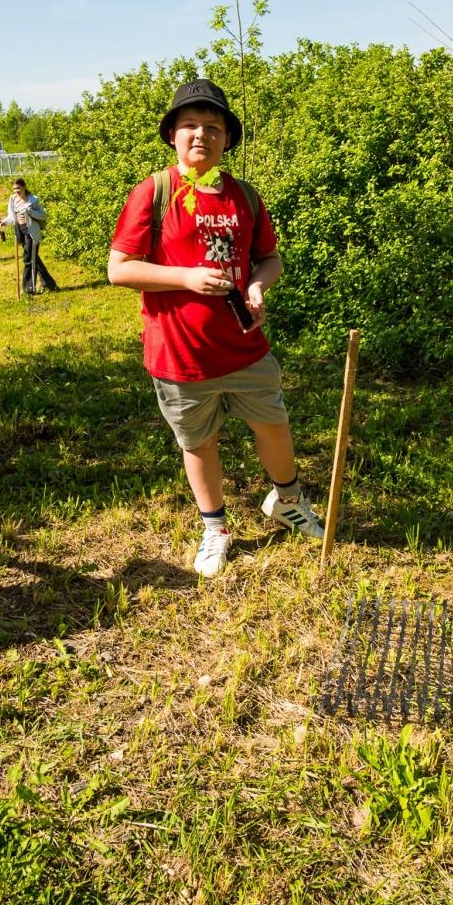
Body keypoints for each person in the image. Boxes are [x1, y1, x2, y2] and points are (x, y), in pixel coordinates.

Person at [108, 78, 323, 579]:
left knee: (273, 423)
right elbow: (119, 268)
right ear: (172, 136)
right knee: (198, 443)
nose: (200, 134)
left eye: (212, 127)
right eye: (189, 126)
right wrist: (184, 277)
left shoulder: (244, 196)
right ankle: (216, 528)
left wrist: (258, 287)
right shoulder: (154, 192)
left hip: (245, 347)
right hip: (179, 354)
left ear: (227, 139)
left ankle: (287, 502)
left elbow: (269, 259)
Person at [0, 177, 58, 294]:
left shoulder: (33, 200)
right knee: (34, 258)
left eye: (18, 188)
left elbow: (43, 215)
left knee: (28, 259)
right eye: (14, 188)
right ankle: (50, 285)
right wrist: (4, 222)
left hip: (32, 232)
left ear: (24, 187)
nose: (16, 191)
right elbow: (11, 215)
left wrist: (30, 212)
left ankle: (29, 289)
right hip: (20, 232)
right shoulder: (12, 199)